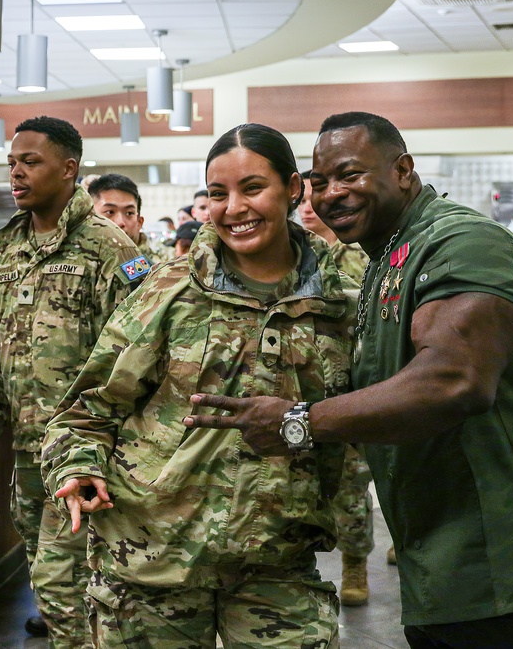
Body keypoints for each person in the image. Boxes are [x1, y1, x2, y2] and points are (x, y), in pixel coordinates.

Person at [187, 112, 513, 647]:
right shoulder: (385, 260)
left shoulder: (464, 244)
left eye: (350, 175)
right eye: (319, 183)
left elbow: (452, 381)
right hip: (449, 567)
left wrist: (297, 423)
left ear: (403, 170)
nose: (332, 194)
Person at [42, 123, 353, 648]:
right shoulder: (171, 289)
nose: (233, 207)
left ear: (294, 188)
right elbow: (85, 413)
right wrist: (76, 467)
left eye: (253, 188)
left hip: (276, 558)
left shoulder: (340, 295)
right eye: (217, 193)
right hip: (151, 558)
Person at [0, 116, 147, 646]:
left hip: (90, 454)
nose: (16, 173)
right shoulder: (7, 252)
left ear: (69, 169)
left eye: (30, 162)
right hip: (27, 454)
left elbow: (142, 358)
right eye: (11, 163)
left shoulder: (110, 249)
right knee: (60, 590)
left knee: (64, 591)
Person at [298, 168, 375, 605]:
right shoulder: (292, 257)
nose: (309, 208)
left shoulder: (361, 257)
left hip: (349, 393)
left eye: (316, 200)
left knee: (351, 489)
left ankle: (355, 564)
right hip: (300, 393)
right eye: (304, 200)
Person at [88, 173, 166, 265]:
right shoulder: (73, 257)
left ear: (139, 223)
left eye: (129, 213)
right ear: (89, 218)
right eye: (110, 212)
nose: (120, 222)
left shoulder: (158, 269)